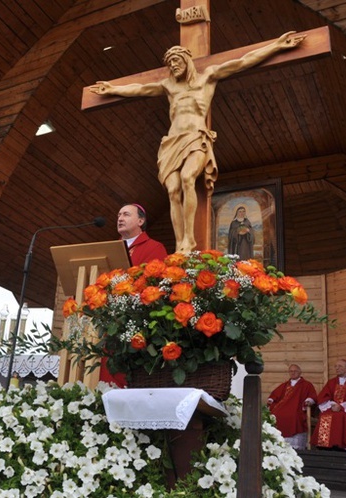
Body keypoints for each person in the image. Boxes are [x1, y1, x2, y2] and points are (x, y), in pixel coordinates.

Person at [90, 32, 306, 254]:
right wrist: (113, 89)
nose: (173, 66)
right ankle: (180, 242)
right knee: (173, 190)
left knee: (187, 178)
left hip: (196, 137)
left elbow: (243, 62)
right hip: (172, 142)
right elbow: (139, 89)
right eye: (169, 63)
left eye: (176, 61)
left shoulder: (207, 77)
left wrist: (276, 46)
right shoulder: (168, 86)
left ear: (186, 61)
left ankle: (190, 241)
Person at [100, 203, 169, 388]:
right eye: (118, 215)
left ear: (140, 220)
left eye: (126, 214)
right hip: (110, 319)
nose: (120, 218)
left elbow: (156, 284)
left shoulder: (154, 247)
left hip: (136, 320)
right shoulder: (111, 248)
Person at [267, 364, 317, 450]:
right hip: (282, 408)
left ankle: (295, 445)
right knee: (275, 415)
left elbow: (312, 396)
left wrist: (309, 401)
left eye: (295, 371)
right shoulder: (285, 385)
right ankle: (277, 443)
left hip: (297, 409)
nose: (293, 373)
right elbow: (275, 395)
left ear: (300, 372)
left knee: (294, 416)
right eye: (291, 371)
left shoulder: (307, 385)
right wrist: (271, 399)